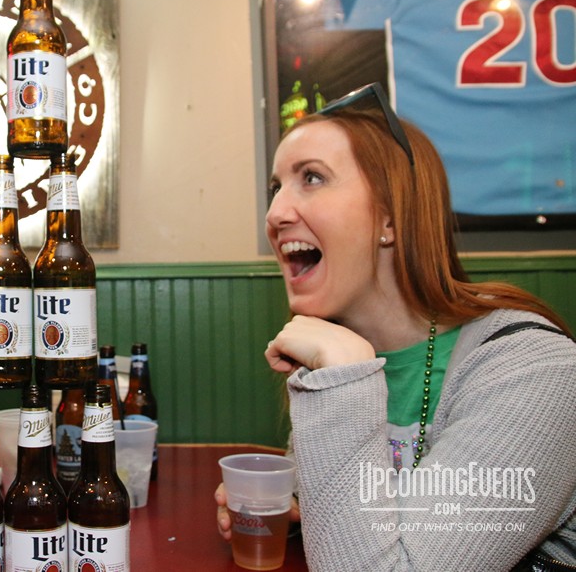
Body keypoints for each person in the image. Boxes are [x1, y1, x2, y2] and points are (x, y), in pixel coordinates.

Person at [215, 84, 576, 571]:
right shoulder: (334, 350)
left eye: (313, 178)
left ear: (390, 217)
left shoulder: (537, 372)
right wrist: (306, 510)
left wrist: (342, 380)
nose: (275, 213)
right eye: (276, 188)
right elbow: (369, 516)